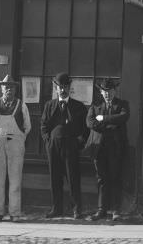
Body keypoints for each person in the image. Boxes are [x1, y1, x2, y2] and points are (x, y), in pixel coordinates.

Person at [0, 74, 31, 222]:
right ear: (1, 89)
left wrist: (20, 137)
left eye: (11, 87)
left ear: (15, 89)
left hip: (15, 144)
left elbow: (27, 126)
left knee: (15, 179)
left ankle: (14, 213)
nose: (9, 89)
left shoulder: (21, 105)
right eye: (6, 87)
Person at [40, 72, 88, 219]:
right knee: (55, 178)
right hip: (53, 146)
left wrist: (79, 142)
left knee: (73, 178)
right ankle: (57, 208)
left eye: (65, 86)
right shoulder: (49, 105)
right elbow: (43, 126)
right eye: (60, 87)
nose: (62, 90)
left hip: (70, 145)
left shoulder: (78, 106)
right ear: (56, 88)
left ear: (69, 88)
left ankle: (76, 209)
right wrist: (48, 141)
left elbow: (85, 128)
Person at [86, 78, 130, 222]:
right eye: (104, 92)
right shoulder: (95, 105)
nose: (107, 94)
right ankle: (101, 210)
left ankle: (116, 210)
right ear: (101, 92)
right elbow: (90, 122)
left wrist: (103, 118)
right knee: (101, 179)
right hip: (99, 147)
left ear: (114, 91)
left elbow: (123, 117)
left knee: (116, 177)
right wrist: (108, 126)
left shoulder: (122, 104)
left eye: (110, 91)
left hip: (116, 147)